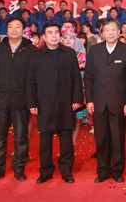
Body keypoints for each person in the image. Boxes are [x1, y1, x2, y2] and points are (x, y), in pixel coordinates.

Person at [27, 23, 84, 184]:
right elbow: (30, 81)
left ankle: (66, 171)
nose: (54, 35)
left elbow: (76, 78)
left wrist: (77, 99)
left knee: (66, 139)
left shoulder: (69, 53)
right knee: (45, 140)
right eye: (50, 33)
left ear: (60, 35)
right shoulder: (36, 55)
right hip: (44, 103)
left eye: (56, 32)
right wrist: (32, 103)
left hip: (66, 102)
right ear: (44, 37)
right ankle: (46, 171)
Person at [0, 17, 37, 182]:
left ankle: (19, 168)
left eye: (18, 26)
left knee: (21, 137)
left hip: (21, 99)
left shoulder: (31, 50)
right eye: (11, 27)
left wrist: (32, 100)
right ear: (6, 30)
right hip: (0, 98)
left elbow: (34, 77)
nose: (14, 29)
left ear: (23, 30)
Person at [85, 19, 126, 183]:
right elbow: (89, 77)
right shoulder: (94, 50)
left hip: (118, 103)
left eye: (114, 29)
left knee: (117, 139)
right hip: (98, 102)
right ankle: (103, 171)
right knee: (101, 139)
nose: (111, 33)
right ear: (102, 33)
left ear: (119, 32)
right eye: (107, 30)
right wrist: (89, 100)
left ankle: (117, 171)